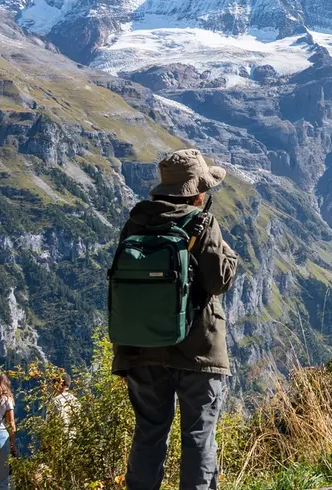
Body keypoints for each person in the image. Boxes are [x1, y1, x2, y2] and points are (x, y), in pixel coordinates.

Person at [114, 149, 239, 490]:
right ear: (198, 191)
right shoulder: (201, 222)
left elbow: (124, 289)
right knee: (198, 434)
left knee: (149, 432)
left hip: (142, 347)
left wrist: (123, 355)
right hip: (197, 348)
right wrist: (228, 252)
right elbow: (217, 281)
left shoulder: (136, 221)